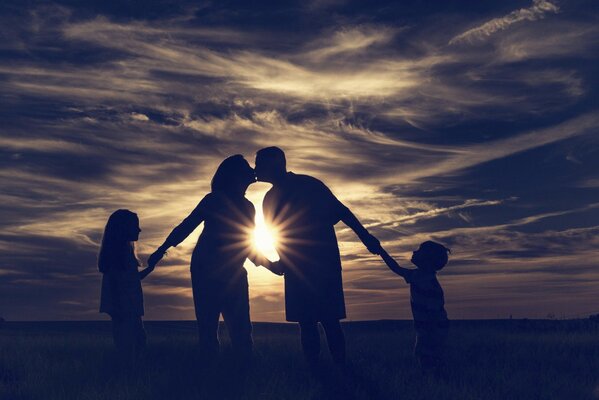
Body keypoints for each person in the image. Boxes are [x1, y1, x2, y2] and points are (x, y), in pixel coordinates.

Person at [255, 146, 381, 366]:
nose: (255, 169)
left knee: (327, 320)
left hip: (322, 265)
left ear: (273, 165)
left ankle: (338, 367)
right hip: (302, 266)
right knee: (308, 322)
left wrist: (366, 236)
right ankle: (319, 369)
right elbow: (278, 234)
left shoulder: (308, 185)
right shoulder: (274, 196)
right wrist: (283, 260)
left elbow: (341, 211)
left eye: (259, 164)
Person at [148, 155, 272, 361]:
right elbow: (186, 227)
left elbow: (246, 244)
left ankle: (237, 373)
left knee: (237, 329)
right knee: (212, 327)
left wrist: (270, 265)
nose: (253, 171)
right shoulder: (216, 200)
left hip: (228, 272)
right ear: (236, 176)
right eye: (247, 168)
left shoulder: (246, 206)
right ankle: (219, 374)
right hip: (208, 271)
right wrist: (161, 251)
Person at [379, 241, 450, 373]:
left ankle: (434, 381)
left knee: (427, 358)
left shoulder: (422, 278)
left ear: (427, 260)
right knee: (428, 357)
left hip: (431, 327)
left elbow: (396, 268)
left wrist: (381, 252)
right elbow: (396, 268)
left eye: (419, 250)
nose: (414, 252)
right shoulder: (420, 276)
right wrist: (381, 252)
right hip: (430, 327)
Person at [98, 209, 155, 365]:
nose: (139, 229)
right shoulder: (118, 255)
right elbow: (118, 285)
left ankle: (129, 373)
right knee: (130, 346)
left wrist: (150, 268)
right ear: (123, 229)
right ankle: (127, 375)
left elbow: (131, 279)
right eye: (135, 226)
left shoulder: (124, 253)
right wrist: (123, 310)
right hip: (125, 309)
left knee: (137, 342)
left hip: (128, 308)